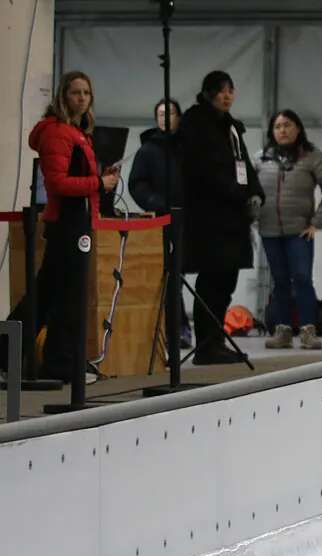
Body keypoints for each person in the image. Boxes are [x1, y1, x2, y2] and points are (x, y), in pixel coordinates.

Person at [23, 71, 119, 381]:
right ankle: (60, 363)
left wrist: (100, 181)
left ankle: (12, 352)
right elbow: (58, 183)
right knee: (67, 297)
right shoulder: (58, 133)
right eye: (75, 92)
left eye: (86, 93)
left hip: (77, 220)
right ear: (63, 96)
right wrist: (99, 183)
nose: (81, 98)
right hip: (68, 224)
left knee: (49, 293)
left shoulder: (78, 133)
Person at [177, 70, 264, 365]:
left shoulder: (232, 127)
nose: (227, 96)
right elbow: (206, 171)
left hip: (233, 219)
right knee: (212, 282)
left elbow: (244, 167)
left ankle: (215, 340)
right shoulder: (196, 123)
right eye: (221, 90)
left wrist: (255, 194)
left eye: (231, 90)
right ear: (207, 93)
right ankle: (206, 344)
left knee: (225, 281)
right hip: (209, 220)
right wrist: (239, 195)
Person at [257, 109, 322, 351]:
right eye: (278, 126)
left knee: (302, 279)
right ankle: (282, 332)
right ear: (272, 131)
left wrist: (318, 221)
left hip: (300, 232)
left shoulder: (312, 156)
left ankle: (307, 331)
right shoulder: (260, 158)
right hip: (270, 231)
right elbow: (249, 193)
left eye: (287, 125)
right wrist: (253, 217)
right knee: (280, 281)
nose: (282, 130)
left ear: (298, 128)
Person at [128, 97, 192, 348]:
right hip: (160, 220)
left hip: (188, 219)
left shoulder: (188, 148)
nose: (166, 118)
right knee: (169, 276)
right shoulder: (148, 150)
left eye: (171, 113)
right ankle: (176, 328)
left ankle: (181, 327)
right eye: (161, 114)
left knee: (182, 274)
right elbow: (137, 184)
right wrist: (155, 202)